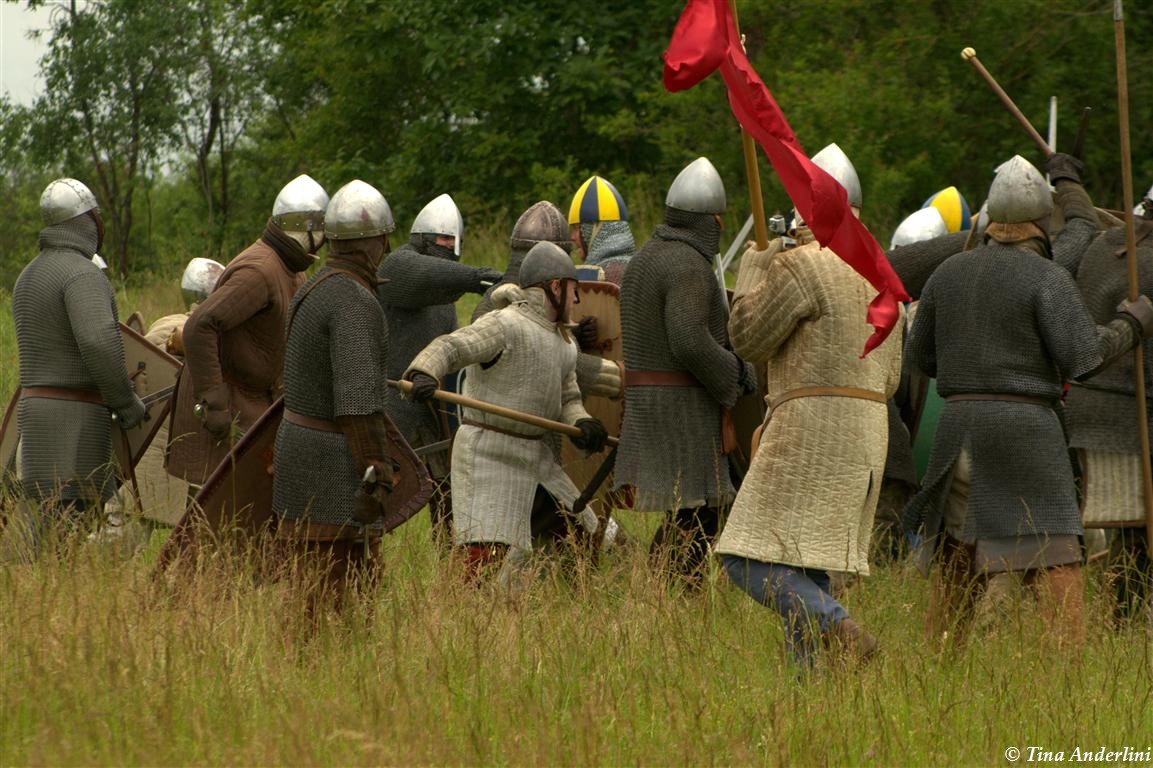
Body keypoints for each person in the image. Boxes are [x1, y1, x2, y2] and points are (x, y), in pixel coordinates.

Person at [902, 154, 1153, 649]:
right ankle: (1065, 670)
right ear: (1040, 221)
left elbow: (920, 356)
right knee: (1056, 555)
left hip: (958, 429)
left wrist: (971, 372)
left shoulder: (947, 273)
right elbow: (1084, 357)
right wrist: (1131, 324)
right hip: (1025, 431)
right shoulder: (1047, 278)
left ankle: (939, 658)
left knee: (959, 552)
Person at [715, 143, 904, 668]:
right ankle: (807, 683)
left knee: (742, 558)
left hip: (809, 432)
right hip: (867, 435)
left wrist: (753, 270)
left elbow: (747, 339)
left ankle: (839, 625)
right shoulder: (885, 276)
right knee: (807, 563)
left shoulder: (802, 265)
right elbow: (890, 379)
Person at [404, 241, 609, 589]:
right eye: (573, 289)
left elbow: (569, 399)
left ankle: (556, 604)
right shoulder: (505, 323)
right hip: (489, 453)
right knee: (482, 556)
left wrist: (582, 423)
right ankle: (457, 610)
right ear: (555, 287)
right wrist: (425, 371)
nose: (576, 299)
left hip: (534, 458)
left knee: (580, 534)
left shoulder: (564, 345)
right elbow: (452, 346)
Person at [613, 157, 757, 587]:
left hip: (650, 404)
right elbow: (690, 341)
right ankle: (671, 587)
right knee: (706, 509)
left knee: (698, 510)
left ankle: (668, 586)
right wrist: (736, 372)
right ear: (711, 220)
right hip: (684, 411)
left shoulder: (644, 258)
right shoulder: (688, 266)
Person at [271, 179, 397, 618]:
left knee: (311, 589)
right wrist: (376, 471)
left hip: (299, 452)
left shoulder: (314, 287)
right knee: (335, 595)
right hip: (332, 464)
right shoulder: (353, 301)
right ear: (376, 242)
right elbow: (357, 401)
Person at [166, 174, 328, 490]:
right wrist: (215, 402)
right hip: (231, 404)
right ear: (306, 230)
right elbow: (200, 325)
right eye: (321, 232)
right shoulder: (260, 270)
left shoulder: (288, 268)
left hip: (254, 401)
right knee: (218, 508)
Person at [11, 178, 146, 549]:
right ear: (88, 220)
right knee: (69, 529)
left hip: (36, 417)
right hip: (74, 422)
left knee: (46, 532)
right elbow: (98, 342)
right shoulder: (82, 273)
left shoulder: (28, 276)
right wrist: (126, 401)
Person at [376, 193, 501, 546]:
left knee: (448, 496)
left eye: (451, 240)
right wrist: (477, 278)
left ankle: (448, 561)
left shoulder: (445, 296)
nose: (446, 245)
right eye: (441, 238)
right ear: (421, 238)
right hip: (391, 404)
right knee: (377, 494)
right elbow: (422, 273)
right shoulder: (396, 268)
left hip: (432, 407)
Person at [1064, 173, 1153, 624]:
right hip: (1135, 415)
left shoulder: (1103, 244)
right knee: (1138, 536)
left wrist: (1069, 184)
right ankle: (1126, 624)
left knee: (1127, 536)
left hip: (1087, 413)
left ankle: (1122, 623)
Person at [567, 175, 636, 285]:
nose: (572, 237)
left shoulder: (602, 277)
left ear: (595, 230)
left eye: (577, 228)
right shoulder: (642, 269)